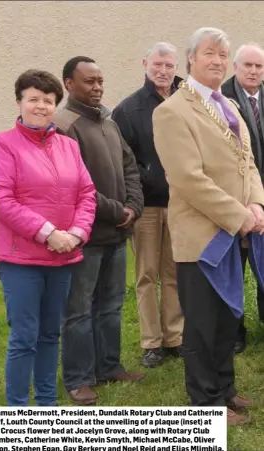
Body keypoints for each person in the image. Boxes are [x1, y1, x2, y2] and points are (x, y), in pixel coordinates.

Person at [153, 27, 264, 425]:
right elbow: (187, 178)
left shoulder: (230, 106)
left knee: (227, 316)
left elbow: (247, 161)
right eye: (209, 53)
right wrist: (240, 216)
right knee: (201, 323)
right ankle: (205, 404)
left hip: (234, 234)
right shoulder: (171, 112)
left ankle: (225, 390)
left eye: (223, 54)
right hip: (202, 237)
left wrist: (256, 201)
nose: (217, 61)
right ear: (191, 59)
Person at [0, 69, 96, 406]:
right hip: (21, 259)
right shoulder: (1, 145)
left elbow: (87, 194)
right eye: (33, 99)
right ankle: (18, 411)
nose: (41, 106)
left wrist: (76, 234)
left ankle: (47, 406)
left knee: (51, 335)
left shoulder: (69, 146)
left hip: (63, 257)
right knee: (24, 338)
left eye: (48, 101)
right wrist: (49, 233)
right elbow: (1, 201)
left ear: (55, 106)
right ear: (20, 102)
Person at [54, 56, 144, 406]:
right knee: (78, 310)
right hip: (85, 236)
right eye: (89, 81)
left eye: (100, 81)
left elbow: (130, 165)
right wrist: (117, 210)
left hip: (117, 233)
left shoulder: (107, 120)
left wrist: (134, 206)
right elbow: (77, 185)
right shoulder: (64, 125)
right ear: (69, 84)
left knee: (111, 305)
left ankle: (109, 366)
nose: (97, 87)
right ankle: (78, 379)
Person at [112, 43, 184, 368]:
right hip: (148, 206)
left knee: (173, 273)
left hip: (183, 204)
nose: (163, 71)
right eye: (157, 64)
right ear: (145, 64)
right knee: (146, 275)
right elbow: (122, 158)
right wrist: (149, 178)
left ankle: (175, 337)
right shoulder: (128, 109)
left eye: (169, 65)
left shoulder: (188, 101)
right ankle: (151, 343)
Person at [222, 43, 264, 353]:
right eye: (247, 65)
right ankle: (234, 331)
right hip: (236, 198)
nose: (253, 71)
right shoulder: (222, 99)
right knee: (235, 267)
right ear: (235, 67)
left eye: (258, 67)